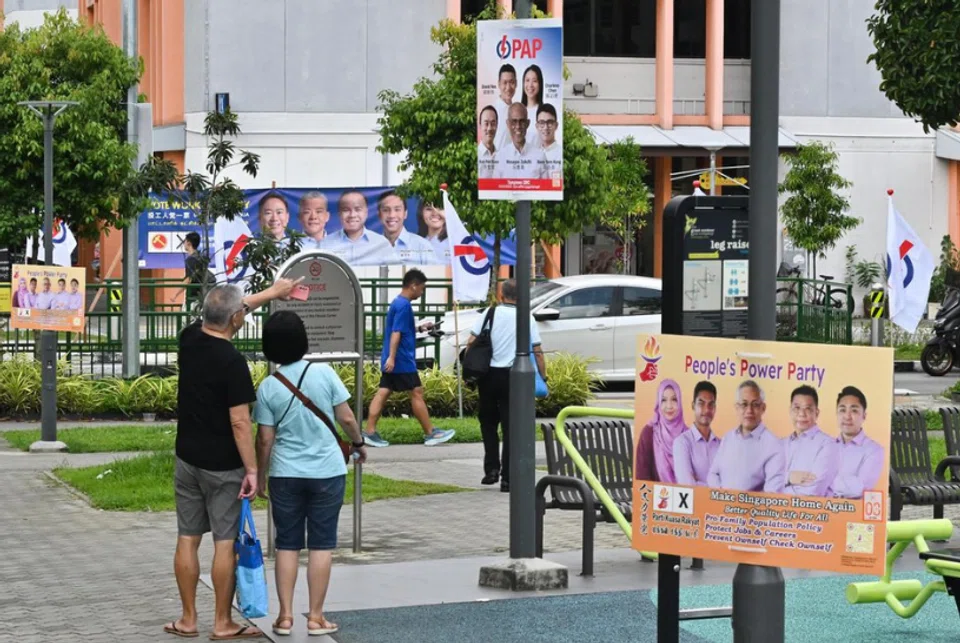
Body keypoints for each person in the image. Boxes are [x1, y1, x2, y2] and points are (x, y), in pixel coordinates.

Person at [165, 277, 300, 641]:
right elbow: (240, 422)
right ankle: (223, 622)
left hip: (187, 458)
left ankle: (188, 619)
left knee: (188, 537)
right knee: (225, 541)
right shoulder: (232, 361)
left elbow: (226, 308)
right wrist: (253, 470)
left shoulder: (189, 339)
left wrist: (272, 293)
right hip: (223, 465)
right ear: (237, 319)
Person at [254, 311, 367, 637]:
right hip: (328, 473)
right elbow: (345, 418)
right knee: (321, 544)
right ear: (303, 340)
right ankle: (316, 617)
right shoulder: (324, 373)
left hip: (286, 474)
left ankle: (285, 616)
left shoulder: (269, 387)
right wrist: (358, 443)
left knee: (287, 544)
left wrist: (261, 475)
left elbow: (265, 439)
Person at [465, 279, 546, 491]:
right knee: (512, 428)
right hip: (514, 377)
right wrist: (543, 376)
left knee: (488, 423)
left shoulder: (489, 314)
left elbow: (470, 342)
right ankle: (508, 478)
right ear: (520, 297)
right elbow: (537, 350)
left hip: (488, 376)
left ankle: (491, 469)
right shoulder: (526, 317)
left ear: (501, 296)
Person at [362, 269, 455, 448]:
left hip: (395, 358)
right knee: (416, 391)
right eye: (421, 288)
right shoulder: (404, 305)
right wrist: (392, 357)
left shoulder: (398, 302)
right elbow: (396, 333)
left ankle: (370, 431)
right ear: (413, 285)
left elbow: (402, 328)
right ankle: (430, 433)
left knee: (384, 390)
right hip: (401, 359)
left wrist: (421, 328)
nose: (421, 293)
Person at [707, 380, 785, 493]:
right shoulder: (728, 438)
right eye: (744, 404)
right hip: (720, 507)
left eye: (755, 405)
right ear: (736, 407)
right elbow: (713, 474)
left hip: (751, 509)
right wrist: (723, 498)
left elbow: (771, 496)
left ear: (763, 408)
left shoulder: (773, 445)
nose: (749, 410)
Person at [782, 385, 839, 497]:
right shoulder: (781, 444)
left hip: (810, 513)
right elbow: (764, 481)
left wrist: (776, 491)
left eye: (808, 408)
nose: (802, 414)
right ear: (790, 411)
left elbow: (813, 492)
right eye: (797, 408)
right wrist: (789, 477)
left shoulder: (828, 445)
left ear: (816, 413)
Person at [828, 386, 884, 499]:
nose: (847, 417)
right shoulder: (826, 446)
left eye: (854, 410)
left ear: (864, 416)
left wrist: (824, 481)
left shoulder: (874, 450)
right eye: (842, 410)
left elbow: (860, 488)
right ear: (836, 414)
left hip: (854, 512)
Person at [322, 190, 396, 266]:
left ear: (366, 212)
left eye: (358, 209)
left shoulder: (382, 243)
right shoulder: (325, 244)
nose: (352, 215)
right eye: (346, 210)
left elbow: (394, 272)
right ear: (339, 214)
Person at [635, 379, 687, 483]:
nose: (669, 406)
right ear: (658, 403)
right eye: (663, 400)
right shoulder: (648, 434)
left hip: (686, 497)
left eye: (674, 399)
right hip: (656, 497)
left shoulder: (689, 436)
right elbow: (642, 478)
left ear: (680, 402)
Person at [672, 381, 721, 486]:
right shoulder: (682, 443)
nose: (706, 410)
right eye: (701, 403)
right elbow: (687, 484)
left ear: (715, 408)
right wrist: (717, 488)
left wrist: (698, 482)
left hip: (720, 503)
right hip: (693, 502)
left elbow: (729, 484)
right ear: (693, 406)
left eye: (711, 405)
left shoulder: (722, 445)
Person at [376, 191, 435, 264]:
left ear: (405, 214)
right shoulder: (371, 247)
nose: (392, 215)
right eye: (386, 210)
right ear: (379, 215)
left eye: (397, 209)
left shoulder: (423, 246)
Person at [494, 103, 547, 180]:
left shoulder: (540, 157)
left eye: (521, 121)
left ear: (528, 123)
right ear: (508, 124)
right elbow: (494, 190)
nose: (518, 126)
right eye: (514, 121)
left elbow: (546, 190)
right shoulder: (499, 157)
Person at [182, 231, 216, 311]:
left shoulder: (191, 259)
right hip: (204, 294)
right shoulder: (200, 257)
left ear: (189, 243)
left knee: (187, 318)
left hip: (195, 297)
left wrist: (175, 295)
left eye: (185, 241)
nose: (184, 243)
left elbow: (188, 280)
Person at [493, 64, 517, 152]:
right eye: (505, 82)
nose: (508, 87)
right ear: (499, 84)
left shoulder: (517, 110)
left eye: (512, 82)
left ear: (516, 83)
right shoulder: (493, 111)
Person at [535, 103, 562, 176]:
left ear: (556, 125)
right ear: (537, 126)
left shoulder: (561, 155)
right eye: (541, 123)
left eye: (550, 122)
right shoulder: (532, 154)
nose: (546, 127)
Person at [521, 64, 543, 146]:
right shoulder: (517, 111)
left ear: (540, 84)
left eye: (534, 81)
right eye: (527, 80)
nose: (530, 85)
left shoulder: (543, 112)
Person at [477, 105, 499, 180]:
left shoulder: (501, 156)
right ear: (480, 126)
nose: (489, 128)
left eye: (493, 124)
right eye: (486, 123)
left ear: (497, 126)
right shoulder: (475, 156)